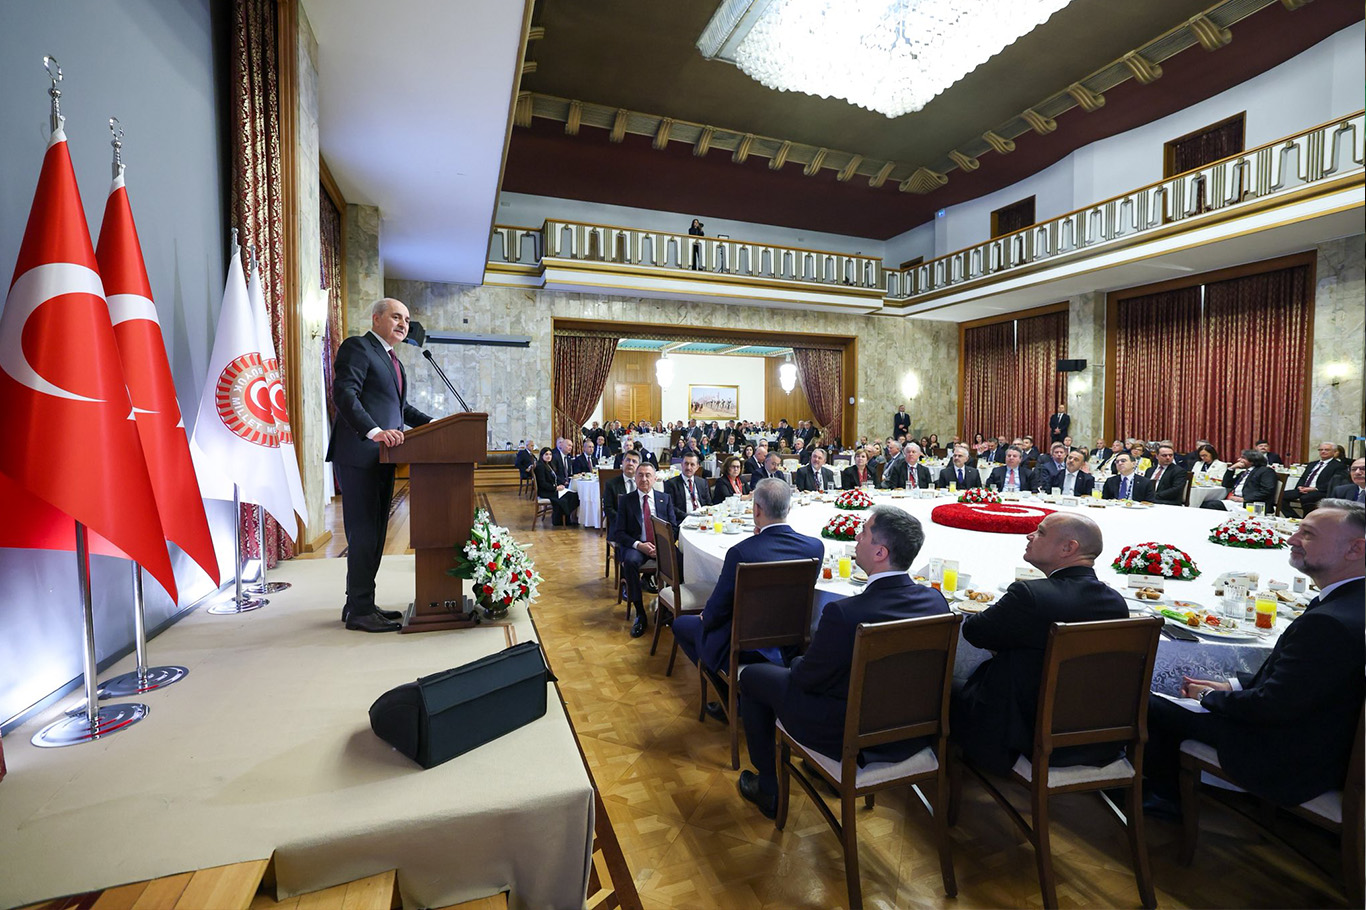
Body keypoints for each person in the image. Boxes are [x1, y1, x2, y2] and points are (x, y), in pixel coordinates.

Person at [1144, 500, 1364, 809]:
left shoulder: (1329, 622)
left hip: (1294, 757)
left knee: (1152, 703)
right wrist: (1233, 686)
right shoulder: (1349, 603)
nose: (1291, 539)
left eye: (1308, 534)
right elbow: (1309, 684)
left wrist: (1208, 695)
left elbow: (1273, 707)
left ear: (1355, 549)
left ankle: (1165, 798)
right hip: (1328, 736)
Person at [734, 507, 950, 817]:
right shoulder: (936, 602)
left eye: (863, 533)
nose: (857, 538)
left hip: (846, 732)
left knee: (754, 676)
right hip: (910, 732)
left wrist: (795, 662)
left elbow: (807, 679)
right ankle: (814, 770)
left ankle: (768, 787)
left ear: (880, 551)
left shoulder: (846, 612)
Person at [952, 513, 1128, 774]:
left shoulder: (1030, 595)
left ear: (1069, 548)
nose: (1029, 535)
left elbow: (975, 631)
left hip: (1024, 732)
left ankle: (938, 780)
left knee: (946, 687)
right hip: (1092, 736)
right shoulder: (1116, 602)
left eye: (1041, 532)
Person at [327, 298, 433, 633]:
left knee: (375, 535)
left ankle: (359, 603)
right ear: (376, 318)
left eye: (407, 319)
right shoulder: (358, 347)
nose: (403, 324)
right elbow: (345, 393)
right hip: (361, 453)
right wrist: (373, 431)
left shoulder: (392, 361)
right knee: (364, 535)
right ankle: (360, 610)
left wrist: (438, 423)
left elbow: (400, 411)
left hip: (384, 458)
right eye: (396, 317)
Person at [673, 479, 825, 681]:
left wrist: (705, 618)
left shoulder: (741, 552)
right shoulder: (815, 548)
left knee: (681, 625)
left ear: (756, 510)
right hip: (791, 643)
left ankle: (725, 691)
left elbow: (718, 609)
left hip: (744, 644)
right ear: (788, 508)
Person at [612, 461, 678, 638]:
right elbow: (618, 533)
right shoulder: (626, 501)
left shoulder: (665, 498)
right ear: (635, 478)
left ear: (655, 478)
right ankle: (640, 613)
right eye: (640, 475)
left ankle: (669, 609)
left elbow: (674, 528)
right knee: (631, 563)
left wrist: (662, 546)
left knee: (680, 560)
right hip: (637, 545)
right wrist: (638, 545)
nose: (644, 479)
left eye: (648, 475)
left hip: (660, 546)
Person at [1280, 440, 1347, 517]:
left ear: (1334, 452)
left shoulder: (1338, 466)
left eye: (1326, 450)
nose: (1323, 452)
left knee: (1306, 498)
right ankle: (1295, 518)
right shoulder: (1312, 464)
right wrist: (1300, 486)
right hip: (1304, 489)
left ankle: (1308, 519)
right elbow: (1303, 477)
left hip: (1320, 491)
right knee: (1281, 496)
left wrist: (1314, 489)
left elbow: (1333, 482)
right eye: (1321, 450)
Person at [1201, 449, 1277, 510]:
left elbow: (1267, 490)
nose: (1239, 459)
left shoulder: (1266, 471)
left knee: (1209, 505)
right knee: (1203, 503)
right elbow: (1226, 484)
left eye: (1243, 458)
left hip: (1250, 503)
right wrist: (1231, 469)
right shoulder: (1244, 473)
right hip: (1234, 501)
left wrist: (1244, 499)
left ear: (1253, 460)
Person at [534, 446, 580, 527]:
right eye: (546, 454)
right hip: (546, 492)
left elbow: (555, 477)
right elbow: (542, 483)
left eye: (550, 454)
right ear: (542, 456)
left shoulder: (549, 465)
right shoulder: (540, 466)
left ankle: (564, 518)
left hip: (552, 489)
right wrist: (556, 488)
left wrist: (562, 483)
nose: (549, 456)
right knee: (569, 497)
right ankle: (561, 520)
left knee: (574, 495)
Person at [603, 451, 640, 535]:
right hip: (619, 528)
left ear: (639, 466)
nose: (630, 463)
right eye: (628, 460)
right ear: (622, 462)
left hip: (640, 527)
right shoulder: (611, 484)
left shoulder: (642, 483)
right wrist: (624, 522)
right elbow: (608, 509)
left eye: (634, 461)